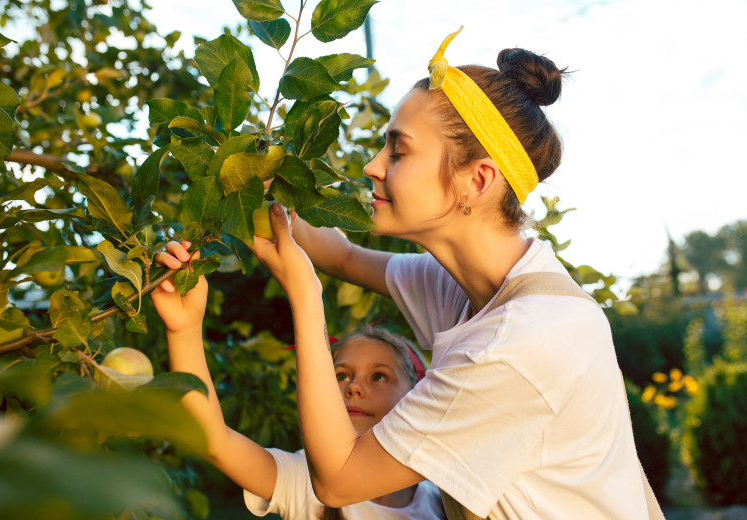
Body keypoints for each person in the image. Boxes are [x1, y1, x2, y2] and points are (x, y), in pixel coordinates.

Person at [246, 26, 653, 520]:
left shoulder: (519, 341)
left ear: (476, 180)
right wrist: (261, 180)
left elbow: (338, 480)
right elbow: (344, 257)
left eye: (399, 151)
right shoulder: (471, 288)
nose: (374, 166)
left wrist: (305, 296)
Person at [149, 257, 444, 520]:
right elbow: (213, 439)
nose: (353, 387)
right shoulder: (305, 478)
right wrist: (184, 330)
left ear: (415, 393)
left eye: (378, 376)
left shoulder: (441, 499)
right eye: (341, 375)